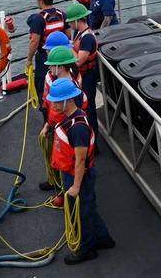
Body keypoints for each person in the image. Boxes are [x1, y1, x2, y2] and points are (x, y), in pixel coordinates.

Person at [46, 77, 114, 265]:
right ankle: (103, 237)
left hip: (79, 177)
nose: (53, 104)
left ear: (68, 101)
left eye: (56, 101)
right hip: (73, 174)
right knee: (88, 207)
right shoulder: (70, 120)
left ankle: (87, 248)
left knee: (82, 212)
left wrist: (76, 185)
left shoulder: (78, 128)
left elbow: (81, 159)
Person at [39, 45, 90, 192]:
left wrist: (76, 186)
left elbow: (79, 158)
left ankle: (68, 188)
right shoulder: (63, 85)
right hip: (60, 128)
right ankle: (61, 186)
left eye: (52, 66)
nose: (49, 70)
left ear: (60, 68)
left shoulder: (73, 93)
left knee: (70, 164)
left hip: (67, 135)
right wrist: (48, 125)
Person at [25, 0, 68, 105]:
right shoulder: (62, 14)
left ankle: (46, 110)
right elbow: (68, 35)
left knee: (43, 83)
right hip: (61, 54)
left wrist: (29, 60)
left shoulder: (39, 19)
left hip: (45, 56)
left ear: (41, 1)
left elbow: (35, 41)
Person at [66, 2, 100, 140]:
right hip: (82, 77)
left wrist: (68, 48)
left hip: (88, 77)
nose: (70, 25)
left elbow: (80, 61)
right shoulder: (79, 33)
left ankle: (93, 141)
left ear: (77, 20)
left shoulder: (87, 38)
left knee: (90, 109)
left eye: (71, 22)